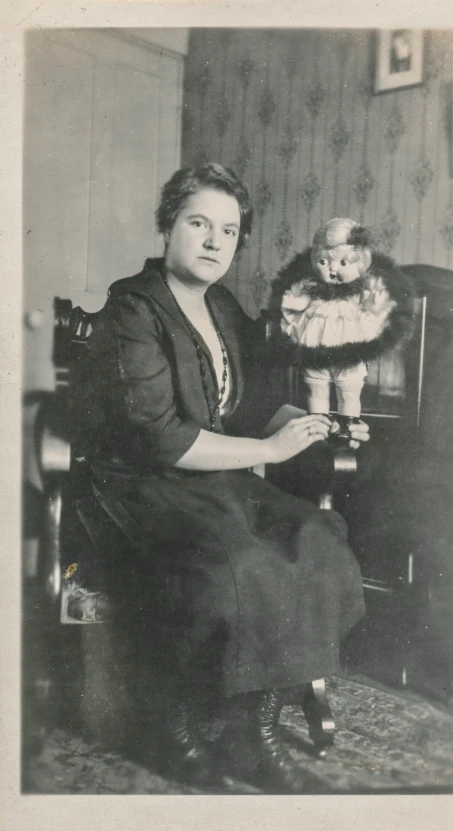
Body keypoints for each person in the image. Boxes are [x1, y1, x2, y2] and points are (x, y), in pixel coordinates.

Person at [81, 163, 369, 793]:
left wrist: (325, 423)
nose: (214, 242)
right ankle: (180, 729)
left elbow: (258, 402)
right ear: (167, 226)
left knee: (317, 535)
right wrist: (266, 448)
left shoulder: (222, 306)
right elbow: (159, 438)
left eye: (229, 231)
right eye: (199, 224)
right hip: (140, 486)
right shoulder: (132, 308)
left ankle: (251, 729)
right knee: (241, 563)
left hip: (215, 479)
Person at [271, 217, 414, 438]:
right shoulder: (312, 287)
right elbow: (299, 302)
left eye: (343, 263)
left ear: (361, 263)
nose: (332, 270)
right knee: (316, 388)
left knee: (349, 390)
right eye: (323, 262)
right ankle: (316, 427)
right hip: (316, 344)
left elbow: (370, 307)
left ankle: (348, 428)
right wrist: (294, 302)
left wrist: (373, 301)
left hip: (350, 347)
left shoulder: (360, 290)